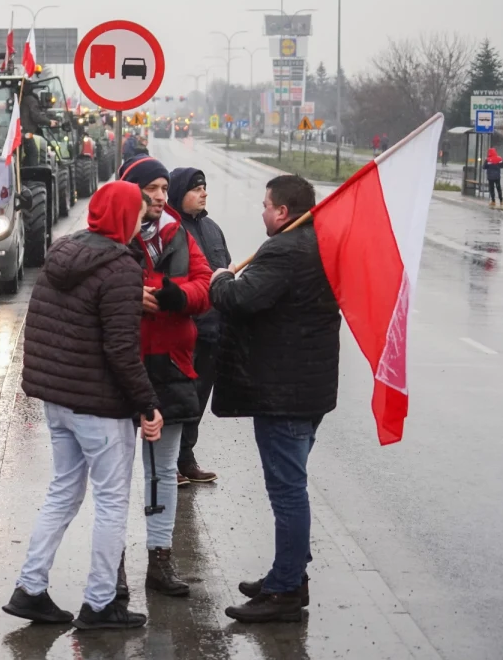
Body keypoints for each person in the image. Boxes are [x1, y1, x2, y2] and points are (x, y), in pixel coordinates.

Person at [4, 182, 162, 631]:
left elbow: (43, 328)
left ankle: (30, 589)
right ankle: (100, 603)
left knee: (63, 492)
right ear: (123, 216)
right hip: (100, 407)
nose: (141, 219)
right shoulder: (120, 268)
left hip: (60, 401)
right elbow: (120, 349)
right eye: (138, 211)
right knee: (112, 502)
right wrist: (147, 404)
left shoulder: (63, 254)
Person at [209, 174, 341, 623]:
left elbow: (242, 299)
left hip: (284, 393)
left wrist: (220, 279)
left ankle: (285, 592)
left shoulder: (284, 250)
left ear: (283, 212)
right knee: (292, 487)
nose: (262, 212)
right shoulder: (320, 245)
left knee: (287, 492)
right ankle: (289, 574)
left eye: (266, 205)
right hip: (310, 389)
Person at [116, 156, 211, 597]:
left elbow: (205, 285)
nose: (157, 196)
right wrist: (128, 297)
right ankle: (110, 567)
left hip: (171, 368)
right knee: (114, 476)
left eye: (161, 188)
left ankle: (160, 561)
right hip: (120, 368)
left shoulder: (179, 235)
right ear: (131, 191)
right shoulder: (113, 235)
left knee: (163, 472)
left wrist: (176, 296)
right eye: (149, 188)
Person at [168, 167, 232, 485]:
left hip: (212, 330)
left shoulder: (213, 228)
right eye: (196, 189)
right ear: (179, 195)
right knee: (178, 398)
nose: (204, 193)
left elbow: (225, 271)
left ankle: (186, 457)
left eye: (204, 187)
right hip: (182, 331)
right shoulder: (169, 231)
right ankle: (169, 464)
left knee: (198, 398)